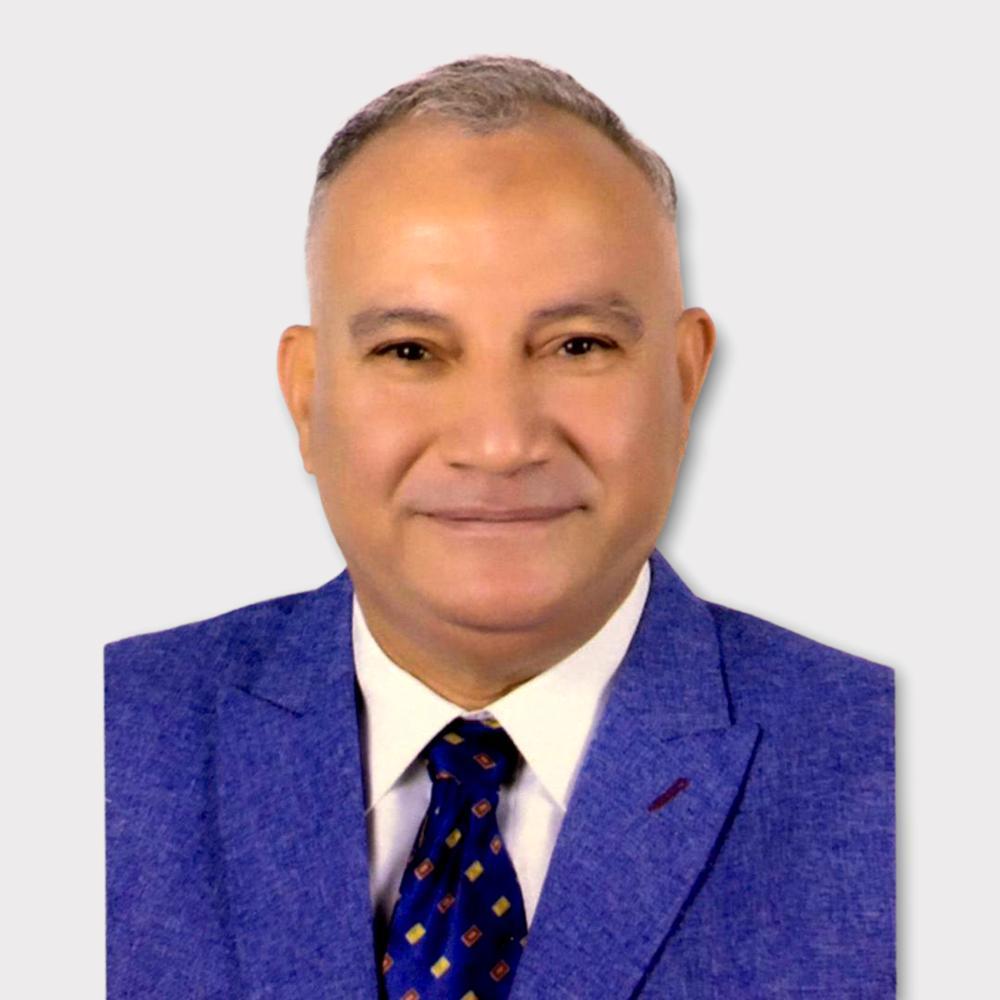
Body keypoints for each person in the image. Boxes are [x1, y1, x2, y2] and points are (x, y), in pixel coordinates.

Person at [104, 55, 894, 999]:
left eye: (578, 346)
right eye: (410, 351)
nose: (499, 441)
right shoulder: (97, 743)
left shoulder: (897, 772)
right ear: (307, 398)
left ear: (683, 382)